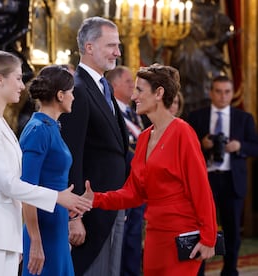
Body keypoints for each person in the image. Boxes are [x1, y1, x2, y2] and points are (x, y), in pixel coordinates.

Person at [0, 50, 92, 276]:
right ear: (0, 79)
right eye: (18, 78)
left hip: (3, 234)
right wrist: (57, 197)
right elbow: (8, 183)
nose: (23, 85)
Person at [84, 64, 218, 275]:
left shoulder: (183, 133)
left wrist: (209, 238)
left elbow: (201, 189)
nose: (134, 96)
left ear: (159, 93)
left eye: (140, 90)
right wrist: (95, 199)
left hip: (183, 236)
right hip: (155, 235)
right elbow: (133, 193)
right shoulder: (145, 136)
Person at [59, 16, 129, 275]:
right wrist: (74, 217)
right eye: (111, 45)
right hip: (90, 215)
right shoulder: (77, 90)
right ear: (89, 47)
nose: (118, 52)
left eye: (118, 45)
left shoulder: (103, 88)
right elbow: (72, 157)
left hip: (112, 206)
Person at [187, 75, 258, 276]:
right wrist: (202, 144)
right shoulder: (196, 117)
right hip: (205, 181)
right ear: (211, 93)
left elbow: (255, 146)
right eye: (218, 91)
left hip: (231, 180)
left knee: (232, 230)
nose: (223, 96)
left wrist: (240, 146)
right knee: (201, 229)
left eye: (227, 91)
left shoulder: (244, 118)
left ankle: (230, 271)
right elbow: (185, 148)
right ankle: (197, 272)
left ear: (232, 93)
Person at [19, 65, 75, 276]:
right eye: (71, 92)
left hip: (57, 225)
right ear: (60, 95)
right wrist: (35, 240)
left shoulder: (50, 127)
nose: (73, 97)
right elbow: (27, 190)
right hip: (42, 229)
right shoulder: (38, 130)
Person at [106, 65, 146, 276]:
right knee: (122, 240)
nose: (134, 86)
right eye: (129, 82)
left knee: (134, 239)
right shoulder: (112, 111)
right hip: (122, 183)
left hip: (138, 183)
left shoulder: (133, 112)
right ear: (114, 85)